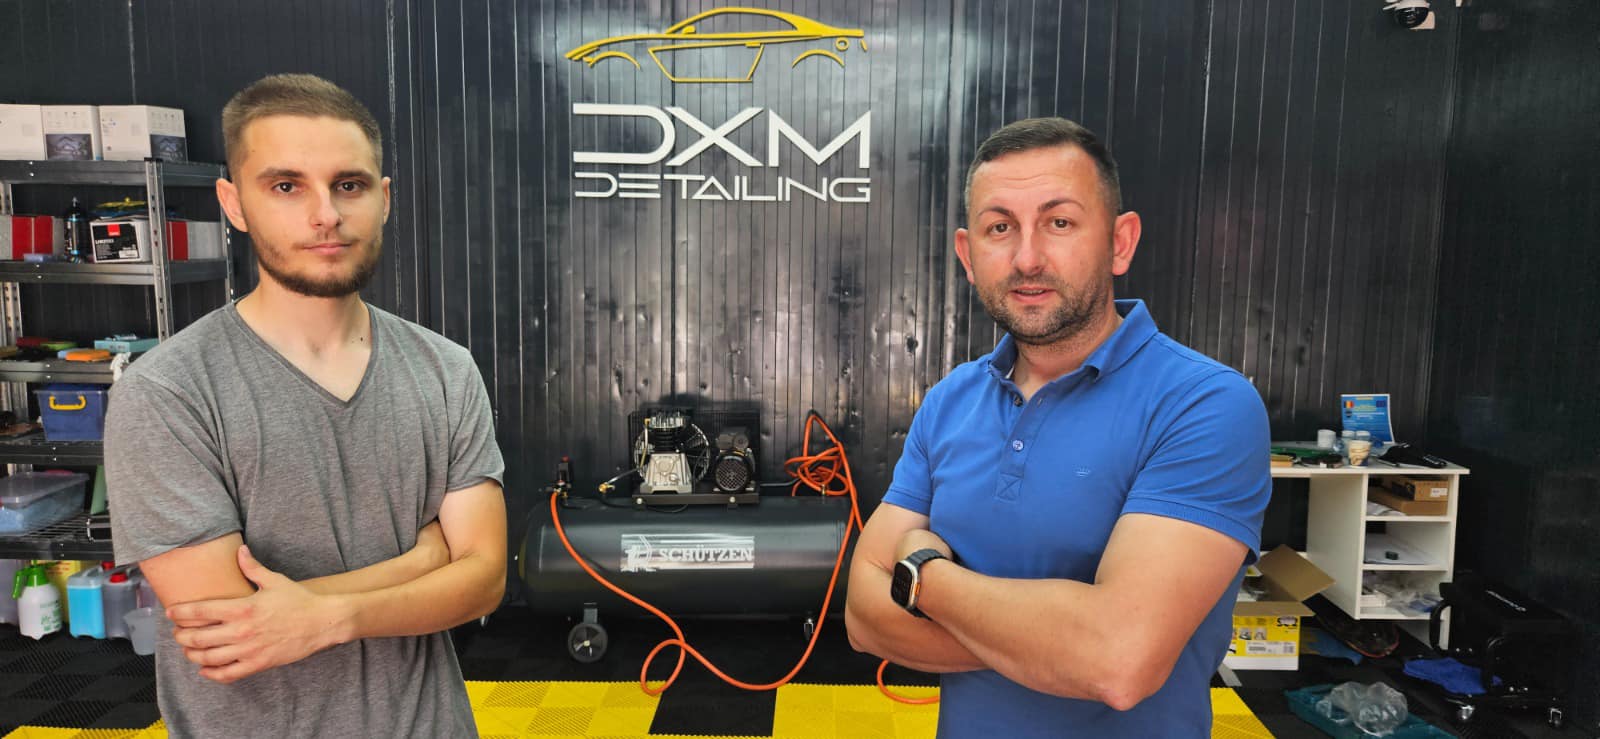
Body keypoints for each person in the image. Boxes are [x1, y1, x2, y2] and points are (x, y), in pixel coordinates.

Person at [105, 73, 507, 738]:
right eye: (286, 186)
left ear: (382, 199)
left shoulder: (445, 369)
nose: (325, 214)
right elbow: (230, 627)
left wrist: (325, 617)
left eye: (348, 185)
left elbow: (484, 581)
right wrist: (423, 562)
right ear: (234, 203)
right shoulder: (167, 391)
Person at [844, 117, 1271, 737]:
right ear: (968, 255)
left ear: (1120, 242)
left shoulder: (1204, 404)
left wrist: (922, 575)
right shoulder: (950, 401)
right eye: (1000, 228)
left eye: (1060, 222)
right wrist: (1055, 647)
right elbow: (863, 617)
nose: (1027, 259)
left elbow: (1117, 662)